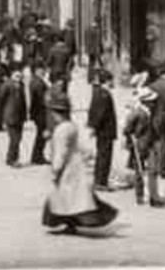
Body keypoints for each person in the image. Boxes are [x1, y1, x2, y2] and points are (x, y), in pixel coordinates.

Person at [43, 88, 118, 234]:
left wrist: (55, 170)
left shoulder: (61, 130)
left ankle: (72, 224)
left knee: (67, 198)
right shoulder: (71, 126)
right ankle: (70, 224)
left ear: (56, 113)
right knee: (73, 198)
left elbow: (61, 152)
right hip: (75, 167)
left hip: (67, 169)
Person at [122, 86, 164, 207]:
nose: (154, 102)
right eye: (151, 101)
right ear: (145, 101)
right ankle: (139, 195)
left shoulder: (150, 111)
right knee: (139, 171)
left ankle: (153, 197)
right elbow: (127, 129)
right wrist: (131, 136)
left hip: (150, 144)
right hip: (138, 145)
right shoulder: (137, 113)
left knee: (153, 170)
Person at [86, 68, 118, 191]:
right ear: (107, 81)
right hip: (106, 131)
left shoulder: (98, 92)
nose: (112, 82)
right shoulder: (104, 95)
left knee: (101, 155)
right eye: (111, 80)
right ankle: (101, 182)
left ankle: (99, 180)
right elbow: (100, 113)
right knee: (104, 157)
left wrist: (92, 126)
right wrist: (94, 127)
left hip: (102, 131)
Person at [0, 65, 29, 168]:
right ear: (12, 75)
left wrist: (25, 115)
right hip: (10, 116)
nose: (19, 78)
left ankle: (10, 158)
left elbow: (24, 101)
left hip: (19, 117)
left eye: (20, 76)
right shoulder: (6, 85)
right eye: (17, 75)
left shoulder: (21, 85)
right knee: (14, 139)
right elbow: (0, 101)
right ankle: (13, 159)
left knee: (18, 138)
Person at [27, 64, 51, 165]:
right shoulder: (38, 83)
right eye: (42, 70)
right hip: (41, 112)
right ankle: (37, 157)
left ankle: (37, 156)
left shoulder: (35, 81)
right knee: (41, 135)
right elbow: (42, 99)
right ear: (37, 70)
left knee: (41, 135)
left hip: (38, 112)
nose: (44, 71)